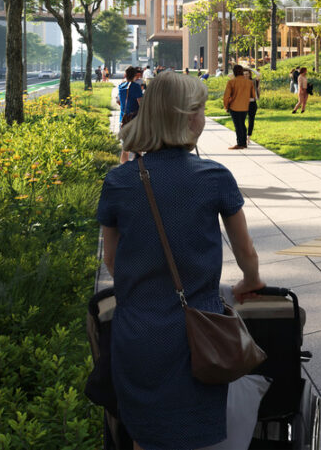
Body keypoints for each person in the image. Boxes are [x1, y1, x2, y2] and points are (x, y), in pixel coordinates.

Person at [98, 71, 268, 450]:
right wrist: (250, 281)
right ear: (189, 117)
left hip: (138, 334)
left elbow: (112, 260)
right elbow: (246, 254)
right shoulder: (214, 177)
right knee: (197, 437)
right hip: (198, 336)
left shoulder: (119, 182)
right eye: (203, 109)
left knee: (145, 437)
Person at [221, 65, 254, 152]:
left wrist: (226, 106)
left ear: (234, 72)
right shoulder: (249, 82)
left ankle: (240, 144)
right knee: (242, 124)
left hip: (234, 106)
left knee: (238, 125)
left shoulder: (231, 82)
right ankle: (244, 143)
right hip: (245, 106)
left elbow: (226, 96)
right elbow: (253, 95)